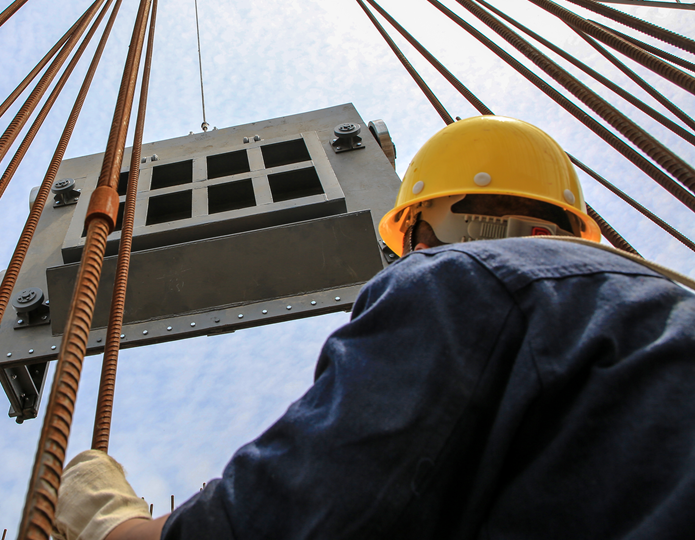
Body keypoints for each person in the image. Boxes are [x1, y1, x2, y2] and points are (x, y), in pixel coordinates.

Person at [53, 116, 695, 540]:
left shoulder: (459, 279)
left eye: (407, 242)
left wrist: (108, 524)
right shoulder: (661, 302)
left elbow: (291, 522)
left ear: (434, 219)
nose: (404, 262)